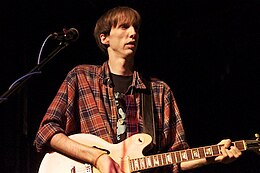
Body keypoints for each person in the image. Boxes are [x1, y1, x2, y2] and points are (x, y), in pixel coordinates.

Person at [34, 6, 242, 173]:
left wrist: (210, 157)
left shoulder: (160, 91)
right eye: (124, 27)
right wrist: (97, 157)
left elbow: (175, 159)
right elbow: (46, 132)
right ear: (104, 38)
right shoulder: (82, 77)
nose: (133, 33)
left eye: (136, 29)